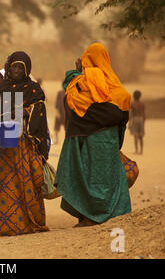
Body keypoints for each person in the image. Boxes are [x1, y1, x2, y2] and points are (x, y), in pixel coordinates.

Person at [55, 43, 132, 227]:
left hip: (88, 140)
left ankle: (89, 216)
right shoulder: (117, 87)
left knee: (87, 177)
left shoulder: (80, 85)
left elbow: (69, 94)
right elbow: (122, 114)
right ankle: (114, 212)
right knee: (109, 177)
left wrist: (78, 72)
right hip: (109, 140)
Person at [0, 51, 50, 236]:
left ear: (27, 70)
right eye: (14, 66)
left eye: (20, 67)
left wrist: (24, 112)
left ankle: (27, 222)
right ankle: (4, 224)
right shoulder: (0, 87)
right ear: (8, 67)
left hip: (23, 141)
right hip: (2, 141)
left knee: (25, 179)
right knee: (3, 182)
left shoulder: (33, 89)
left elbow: (39, 110)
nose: (16, 70)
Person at [129, 90, 145, 154]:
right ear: (140, 96)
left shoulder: (132, 104)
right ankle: (141, 150)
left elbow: (131, 114)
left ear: (133, 96)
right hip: (141, 119)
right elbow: (144, 113)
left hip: (135, 119)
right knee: (141, 136)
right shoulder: (142, 104)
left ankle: (136, 150)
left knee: (135, 135)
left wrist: (130, 122)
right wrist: (144, 121)